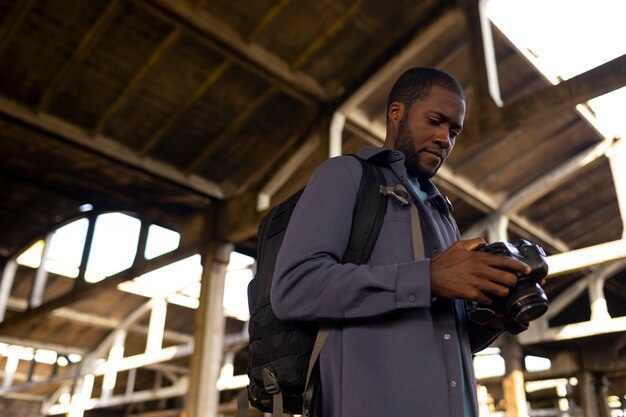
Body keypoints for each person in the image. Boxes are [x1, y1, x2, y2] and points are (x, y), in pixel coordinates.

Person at [271, 67, 531, 417]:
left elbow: (443, 337)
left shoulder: (444, 214)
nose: (445, 139)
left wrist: (494, 320)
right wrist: (427, 278)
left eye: (454, 131)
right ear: (397, 113)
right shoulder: (346, 175)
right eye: (435, 121)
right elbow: (293, 288)